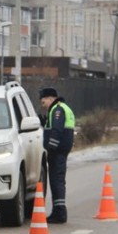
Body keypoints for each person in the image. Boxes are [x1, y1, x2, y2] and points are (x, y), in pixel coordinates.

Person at [39, 87, 75, 223]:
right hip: (61, 150)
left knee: (56, 181)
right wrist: (45, 123)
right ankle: (58, 210)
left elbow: (57, 129)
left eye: (43, 102)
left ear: (50, 98)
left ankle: (59, 213)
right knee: (58, 180)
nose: (43, 106)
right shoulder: (62, 108)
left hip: (57, 151)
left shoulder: (57, 109)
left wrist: (50, 148)